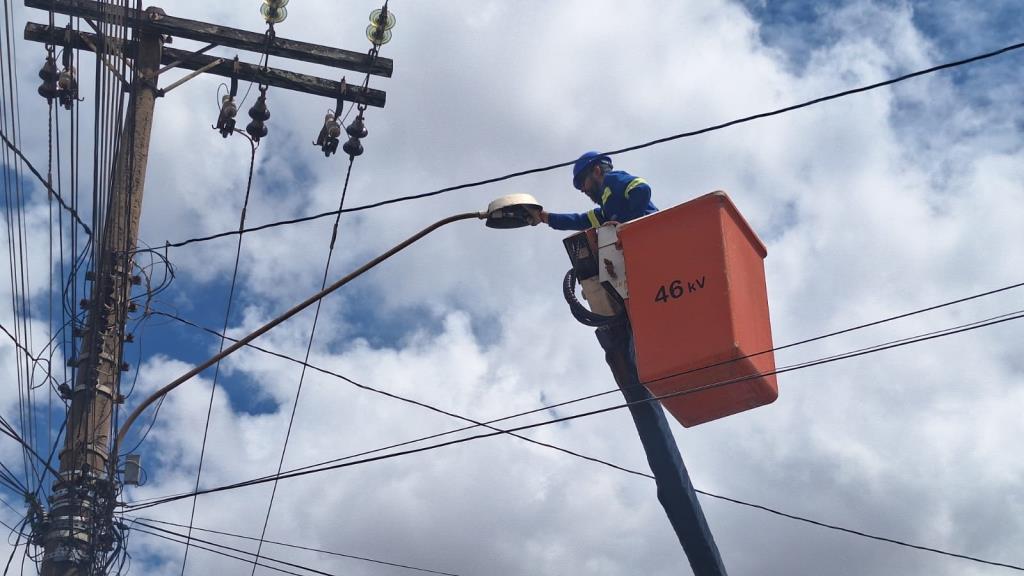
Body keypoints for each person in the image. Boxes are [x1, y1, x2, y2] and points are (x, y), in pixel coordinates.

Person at [529, 151, 657, 229]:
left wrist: (628, 225)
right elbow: (579, 221)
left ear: (596, 171)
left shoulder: (612, 180)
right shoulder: (606, 210)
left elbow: (641, 189)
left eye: (581, 183)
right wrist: (544, 217)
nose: (582, 189)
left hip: (655, 231)